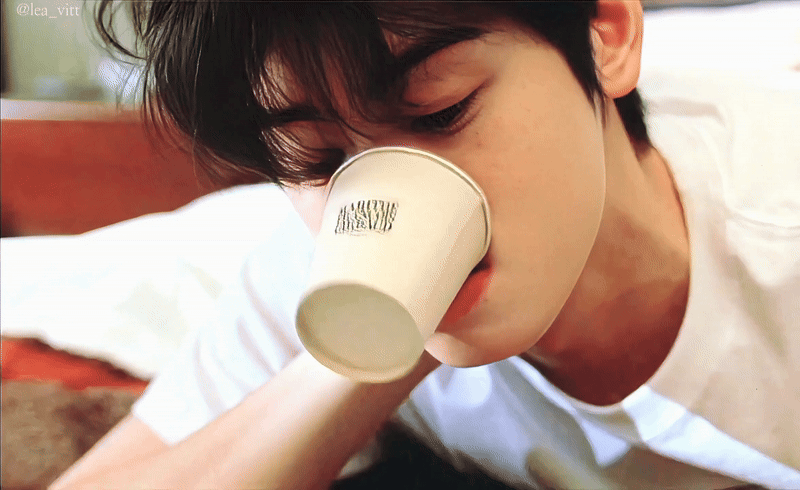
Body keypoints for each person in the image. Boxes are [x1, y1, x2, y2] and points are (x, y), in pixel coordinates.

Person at [51, 1, 800, 488]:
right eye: (317, 160)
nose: (383, 196)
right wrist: (368, 339)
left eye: (439, 114)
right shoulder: (312, 263)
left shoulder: (777, 229)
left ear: (605, 33)